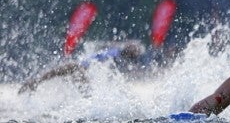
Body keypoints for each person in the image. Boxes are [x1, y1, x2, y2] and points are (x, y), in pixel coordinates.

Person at [18, 40, 147, 94]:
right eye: (132, 48)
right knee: (86, 93)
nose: (133, 49)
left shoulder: (118, 58)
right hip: (78, 68)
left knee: (86, 94)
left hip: (79, 69)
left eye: (134, 50)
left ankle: (34, 82)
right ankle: (33, 83)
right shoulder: (116, 52)